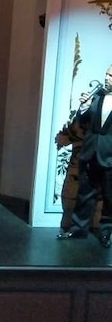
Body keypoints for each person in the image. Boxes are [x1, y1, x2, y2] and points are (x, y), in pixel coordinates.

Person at [57, 65, 112, 247]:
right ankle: (78, 229)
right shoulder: (97, 96)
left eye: (111, 75)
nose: (106, 78)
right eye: (106, 74)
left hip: (109, 155)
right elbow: (83, 122)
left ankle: (106, 232)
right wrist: (83, 108)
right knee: (85, 194)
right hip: (89, 153)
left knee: (110, 197)